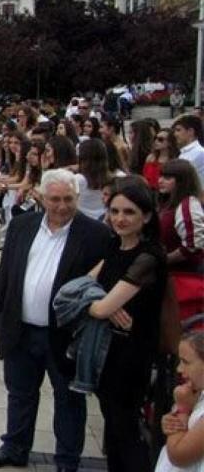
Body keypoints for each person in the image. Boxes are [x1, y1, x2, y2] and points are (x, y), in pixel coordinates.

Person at [0, 169, 112, 472]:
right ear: (42, 196)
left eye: (68, 199)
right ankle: (14, 446)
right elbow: (6, 277)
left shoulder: (95, 235)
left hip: (64, 333)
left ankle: (66, 460)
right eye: (54, 199)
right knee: (20, 392)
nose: (61, 206)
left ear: (77, 199)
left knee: (68, 399)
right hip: (22, 328)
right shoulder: (23, 226)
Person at [85, 180, 169, 472]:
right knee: (113, 424)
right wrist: (98, 303)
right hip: (107, 349)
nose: (120, 218)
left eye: (129, 212)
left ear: (146, 216)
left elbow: (99, 306)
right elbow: (81, 287)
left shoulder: (148, 257)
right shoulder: (114, 245)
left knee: (125, 428)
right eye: (115, 211)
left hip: (132, 354)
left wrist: (100, 306)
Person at [156, 331, 204, 472]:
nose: (179, 369)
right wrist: (172, 419)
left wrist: (182, 410)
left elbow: (179, 455)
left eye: (186, 362)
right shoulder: (196, 394)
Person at [174, 115, 204, 184]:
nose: (175, 134)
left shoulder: (200, 152)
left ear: (190, 131)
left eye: (178, 130)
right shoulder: (184, 152)